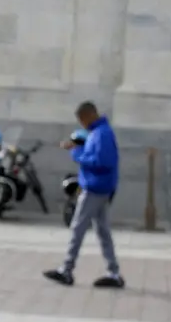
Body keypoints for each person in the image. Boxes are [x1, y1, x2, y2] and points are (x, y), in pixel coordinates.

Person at [44, 101, 124, 288]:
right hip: (100, 187)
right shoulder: (100, 133)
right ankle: (113, 272)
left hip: (95, 188)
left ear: (88, 115)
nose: (82, 124)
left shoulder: (101, 134)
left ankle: (67, 269)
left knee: (78, 228)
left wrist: (77, 153)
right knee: (102, 231)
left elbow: (101, 161)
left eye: (82, 119)